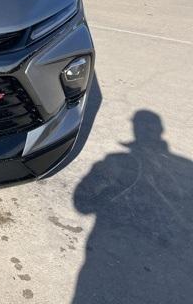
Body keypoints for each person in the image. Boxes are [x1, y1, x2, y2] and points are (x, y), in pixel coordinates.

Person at [73, 110, 193, 303]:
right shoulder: (187, 167)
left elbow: (82, 206)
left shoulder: (115, 160)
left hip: (107, 256)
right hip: (167, 273)